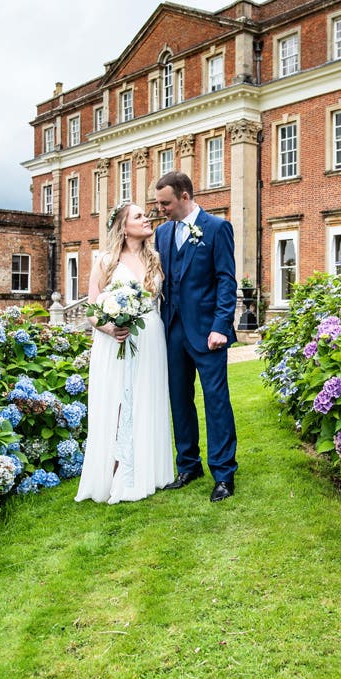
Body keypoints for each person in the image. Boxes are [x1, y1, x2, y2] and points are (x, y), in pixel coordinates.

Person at [74, 202, 175, 504]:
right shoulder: (105, 260)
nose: (147, 219)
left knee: (145, 399)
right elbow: (91, 307)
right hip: (115, 339)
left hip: (151, 336)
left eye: (146, 215)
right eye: (139, 216)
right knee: (117, 401)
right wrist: (108, 328)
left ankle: (146, 470)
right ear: (123, 225)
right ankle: (114, 470)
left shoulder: (154, 258)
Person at [154, 171, 239, 502]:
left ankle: (223, 473)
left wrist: (221, 325)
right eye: (159, 203)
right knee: (179, 399)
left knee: (216, 401)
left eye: (166, 203)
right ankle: (188, 465)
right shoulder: (162, 233)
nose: (161, 208)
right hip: (172, 329)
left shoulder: (217, 228)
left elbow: (226, 280)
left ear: (185, 197)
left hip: (207, 332)